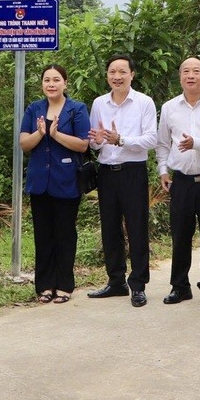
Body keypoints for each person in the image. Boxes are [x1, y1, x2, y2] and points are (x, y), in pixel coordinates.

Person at [155, 57, 200, 308]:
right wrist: (163, 170)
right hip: (182, 181)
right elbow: (163, 142)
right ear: (180, 77)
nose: (191, 75)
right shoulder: (169, 108)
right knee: (181, 234)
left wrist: (195, 143)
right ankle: (179, 286)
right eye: (186, 71)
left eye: (196, 71)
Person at [87, 55, 158, 307]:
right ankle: (115, 281)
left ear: (132, 75)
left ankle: (138, 285)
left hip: (133, 171)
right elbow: (94, 142)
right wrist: (97, 139)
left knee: (137, 227)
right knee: (110, 228)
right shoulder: (99, 103)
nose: (117, 76)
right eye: (112, 72)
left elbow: (151, 139)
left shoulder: (144, 103)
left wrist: (121, 139)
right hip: (106, 171)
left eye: (122, 72)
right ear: (107, 75)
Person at [20, 64, 90, 304]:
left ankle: (64, 285)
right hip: (40, 182)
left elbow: (83, 144)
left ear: (65, 83)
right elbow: (24, 144)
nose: (51, 84)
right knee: (43, 235)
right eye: (47, 80)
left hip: (67, 180)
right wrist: (40, 134)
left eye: (56, 79)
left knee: (65, 233)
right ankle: (45, 285)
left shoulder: (76, 109)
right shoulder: (34, 109)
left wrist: (56, 134)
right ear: (42, 84)